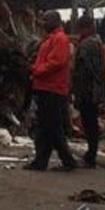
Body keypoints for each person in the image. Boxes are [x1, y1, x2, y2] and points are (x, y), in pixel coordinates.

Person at [24, 10, 77, 172]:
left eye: (46, 20)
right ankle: (41, 161)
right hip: (46, 88)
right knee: (45, 128)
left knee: (52, 128)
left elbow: (56, 63)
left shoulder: (59, 39)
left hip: (52, 89)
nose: (43, 23)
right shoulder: (51, 39)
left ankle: (67, 161)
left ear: (55, 21)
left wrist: (36, 70)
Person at [72, 13, 105, 168]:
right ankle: (91, 153)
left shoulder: (87, 45)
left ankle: (91, 156)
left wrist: (76, 90)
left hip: (87, 90)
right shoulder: (96, 42)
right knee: (90, 122)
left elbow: (84, 70)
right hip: (94, 89)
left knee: (89, 122)